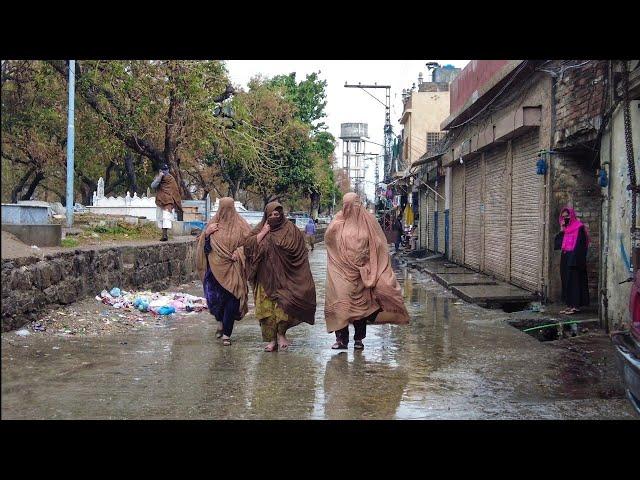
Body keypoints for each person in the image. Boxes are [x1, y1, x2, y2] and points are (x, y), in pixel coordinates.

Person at [324, 192, 410, 350]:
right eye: (348, 205)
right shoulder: (338, 221)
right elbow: (329, 241)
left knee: (360, 310)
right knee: (342, 306)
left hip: (362, 273)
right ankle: (341, 340)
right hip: (341, 273)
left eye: (355, 205)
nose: (352, 209)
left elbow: (378, 244)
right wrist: (333, 227)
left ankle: (358, 339)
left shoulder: (368, 222)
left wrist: (373, 266)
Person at [244, 201, 317, 352]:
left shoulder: (291, 229)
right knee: (266, 311)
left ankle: (282, 334)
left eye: (276, 214)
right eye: (270, 215)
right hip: (264, 277)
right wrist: (263, 233)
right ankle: (271, 340)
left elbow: (299, 252)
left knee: (284, 307)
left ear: (282, 215)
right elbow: (247, 246)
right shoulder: (260, 228)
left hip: (285, 278)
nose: (273, 217)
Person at [195, 197, 251, 346]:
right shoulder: (212, 225)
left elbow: (251, 245)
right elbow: (205, 249)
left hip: (234, 270)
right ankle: (220, 322)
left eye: (228, 208)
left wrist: (239, 253)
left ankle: (227, 333)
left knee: (232, 300)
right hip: (214, 271)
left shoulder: (242, 226)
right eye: (222, 208)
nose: (225, 212)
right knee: (215, 301)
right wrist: (206, 234)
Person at [554, 207, 590, 315]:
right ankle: (569, 305)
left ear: (572, 216)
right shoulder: (566, 229)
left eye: (567, 216)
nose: (565, 218)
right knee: (566, 281)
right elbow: (558, 245)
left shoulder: (579, 227)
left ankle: (576, 306)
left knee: (575, 281)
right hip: (566, 257)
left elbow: (581, 245)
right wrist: (562, 230)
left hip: (575, 258)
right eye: (563, 216)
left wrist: (575, 260)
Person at [151, 164, 183, 242]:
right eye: (163, 170)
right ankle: (163, 233)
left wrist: (176, 202)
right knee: (160, 217)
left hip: (168, 201)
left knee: (166, 217)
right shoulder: (158, 178)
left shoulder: (171, 179)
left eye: (166, 170)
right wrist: (159, 177)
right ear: (160, 170)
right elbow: (153, 186)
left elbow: (175, 190)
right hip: (160, 200)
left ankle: (165, 234)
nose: (165, 171)